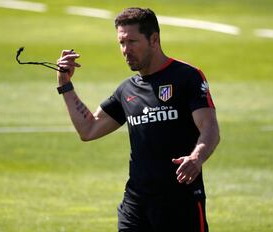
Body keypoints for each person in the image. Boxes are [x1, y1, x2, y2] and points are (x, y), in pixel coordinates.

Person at [55, 7, 220, 232]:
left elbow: (209, 128)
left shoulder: (186, 77)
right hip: (136, 204)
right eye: (121, 43)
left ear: (154, 39)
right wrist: (65, 84)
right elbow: (89, 129)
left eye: (132, 42)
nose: (125, 50)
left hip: (180, 201)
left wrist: (196, 158)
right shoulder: (126, 90)